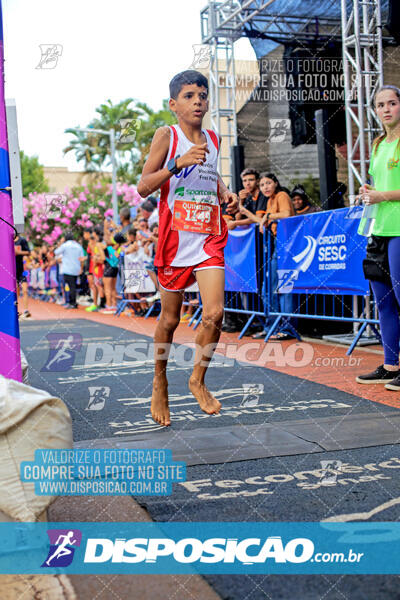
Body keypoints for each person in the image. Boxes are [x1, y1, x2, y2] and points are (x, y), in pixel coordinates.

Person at [137, 69, 238, 426]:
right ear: (173, 104)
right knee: (169, 319)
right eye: (190, 96)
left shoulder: (214, 137)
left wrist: (225, 192)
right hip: (175, 238)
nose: (198, 101)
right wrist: (176, 164)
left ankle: (197, 379)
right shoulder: (167, 135)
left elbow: (209, 172)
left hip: (208, 235)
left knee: (214, 314)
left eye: (203, 95)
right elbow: (144, 186)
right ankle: (160, 380)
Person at [355, 84, 400, 390]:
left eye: (392, 103)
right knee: (383, 301)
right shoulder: (378, 144)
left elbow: (387, 191)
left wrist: (381, 195)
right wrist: (369, 192)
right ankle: (390, 364)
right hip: (378, 229)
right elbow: (377, 183)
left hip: (398, 229)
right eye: (380, 105)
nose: (386, 109)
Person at [54, 231, 84, 309]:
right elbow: (82, 258)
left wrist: (61, 244)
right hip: (76, 269)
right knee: (73, 285)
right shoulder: (78, 246)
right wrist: (81, 268)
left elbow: (56, 252)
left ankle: (72, 302)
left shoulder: (65, 245)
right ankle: (73, 302)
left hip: (67, 269)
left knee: (69, 286)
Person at [14, 232, 31, 319]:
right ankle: (16, 310)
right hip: (12, 271)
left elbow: (28, 252)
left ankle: (26, 310)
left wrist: (18, 252)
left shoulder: (22, 240)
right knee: (15, 292)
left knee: (25, 290)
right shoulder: (6, 240)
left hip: (21, 270)